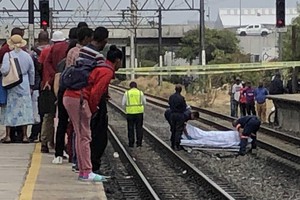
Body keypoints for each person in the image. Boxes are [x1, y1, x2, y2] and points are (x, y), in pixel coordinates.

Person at [63, 45, 122, 182]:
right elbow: (96, 93)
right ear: (118, 61)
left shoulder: (100, 67)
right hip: (79, 99)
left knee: (81, 135)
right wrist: (92, 109)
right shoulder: (106, 71)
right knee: (85, 136)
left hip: (72, 97)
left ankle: (83, 169)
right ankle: (86, 172)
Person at [52, 27, 93, 165]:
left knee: (62, 123)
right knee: (78, 128)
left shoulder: (67, 56)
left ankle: (58, 153)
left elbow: (60, 75)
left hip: (64, 90)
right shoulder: (85, 54)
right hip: (77, 93)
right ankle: (75, 157)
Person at [0, 35, 35, 143]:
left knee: (10, 109)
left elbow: (5, 70)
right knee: (24, 109)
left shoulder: (8, 55)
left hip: (12, 83)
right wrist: (31, 84)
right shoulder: (27, 55)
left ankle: (8, 136)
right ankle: (25, 135)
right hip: (24, 83)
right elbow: (32, 71)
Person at [40, 30, 68, 153]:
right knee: (65, 117)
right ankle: (63, 144)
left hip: (50, 85)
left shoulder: (48, 51)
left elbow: (45, 66)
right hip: (66, 85)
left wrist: (50, 79)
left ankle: (45, 142)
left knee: (49, 115)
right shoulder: (68, 48)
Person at [29, 31, 50, 142]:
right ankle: (44, 135)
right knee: (47, 112)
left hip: (37, 84)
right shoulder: (51, 50)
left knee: (37, 111)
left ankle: (34, 134)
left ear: (38, 39)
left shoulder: (33, 54)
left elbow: (31, 70)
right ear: (48, 39)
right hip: (49, 84)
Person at [122, 81, 146, 148]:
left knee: (130, 128)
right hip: (139, 113)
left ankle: (131, 143)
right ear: (136, 86)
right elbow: (144, 102)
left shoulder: (127, 93)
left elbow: (123, 103)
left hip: (130, 113)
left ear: (130, 86)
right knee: (139, 128)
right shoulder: (140, 93)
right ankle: (139, 143)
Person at [168, 85, 187, 151]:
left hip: (172, 114)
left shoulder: (171, 97)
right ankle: (177, 145)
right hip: (179, 115)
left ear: (175, 89)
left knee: (173, 129)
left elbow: (169, 104)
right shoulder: (182, 98)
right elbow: (184, 107)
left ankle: (172, 144)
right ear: (181, 90)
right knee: (178, 130)